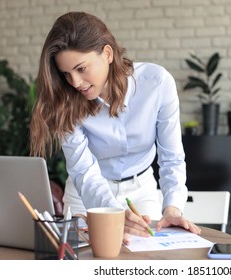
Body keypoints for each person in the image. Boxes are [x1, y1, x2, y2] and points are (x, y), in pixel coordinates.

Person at [29, 11, 201, 241]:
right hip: (86, 195)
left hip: (142, 191)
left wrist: (172, 208)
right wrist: (112, 213)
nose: (75, 83)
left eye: (81, 69)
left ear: (107, 53)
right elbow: (84, 172)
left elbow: (171, 157)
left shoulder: (157, 84)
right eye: (66, 74)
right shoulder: (66, 101)